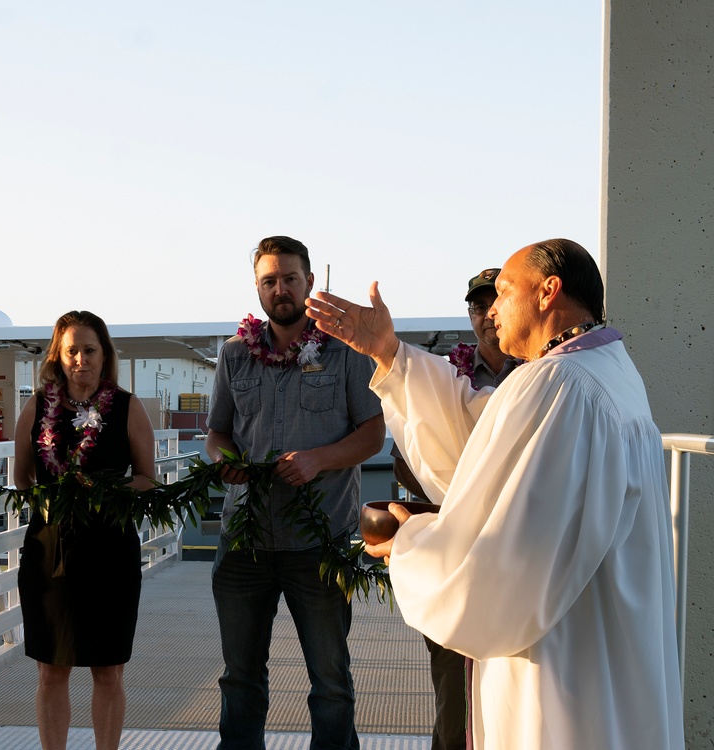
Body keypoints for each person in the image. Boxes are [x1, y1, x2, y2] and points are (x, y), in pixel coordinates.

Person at [306, 239, 685, 749]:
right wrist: (388, 353)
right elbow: (484, 434)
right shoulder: (606, 369)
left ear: (549, 292)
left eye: (504, 291)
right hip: (605, 634)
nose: (494, 309)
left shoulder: (559, 384)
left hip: (564, 660)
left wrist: (412, 547)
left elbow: (504, 564)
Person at [206, 236, 386, 749]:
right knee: (240, 679)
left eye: (289, 278)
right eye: (269, 280)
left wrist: (317, 461)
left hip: (321, 544)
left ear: (309, 282)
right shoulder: (235, 355)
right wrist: (225, 463)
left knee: (330, 682)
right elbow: (217, 434)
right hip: (244, 544)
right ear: (257, 288)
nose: (280, 288)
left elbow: (372, 433)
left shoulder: (345, 353)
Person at [14, 310, 156, 750]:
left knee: (108, 668)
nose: (81, 360)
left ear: (104, 354)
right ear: (58, 356)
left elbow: (147, 478)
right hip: (49, 549)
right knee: (50, 668)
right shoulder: (36, 407)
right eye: (71, 350)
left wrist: (100, 492)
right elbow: (22, 478)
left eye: (90, 350)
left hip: (110, 549)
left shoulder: (128, 407)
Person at [393, 267, 521, 750]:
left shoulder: (540, 374)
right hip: (457, 547)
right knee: (453, 688)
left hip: (517, 547)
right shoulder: (445, 378)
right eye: (477, 305)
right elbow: (407, 459)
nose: (488, 314)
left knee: (516, 683)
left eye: (496, 302)